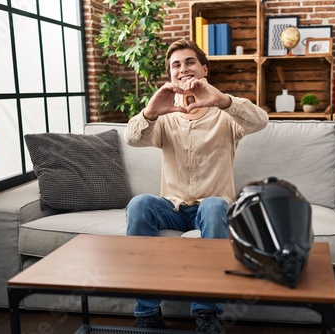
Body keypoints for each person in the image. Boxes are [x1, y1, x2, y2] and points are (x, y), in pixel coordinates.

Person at [123, 39, 268, 333]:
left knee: (215, 205)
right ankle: (147, 314)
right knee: (139, 204)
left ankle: (207, 314)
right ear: (170, 75)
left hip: (212, 207)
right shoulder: (164, 119)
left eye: (190, 62)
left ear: (204, 69)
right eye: (176, 65)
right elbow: (132, 138)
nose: (183, 69)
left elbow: (260, 121)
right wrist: (151, 111)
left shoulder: (225, 115)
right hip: (172, 208)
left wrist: (223, 100)